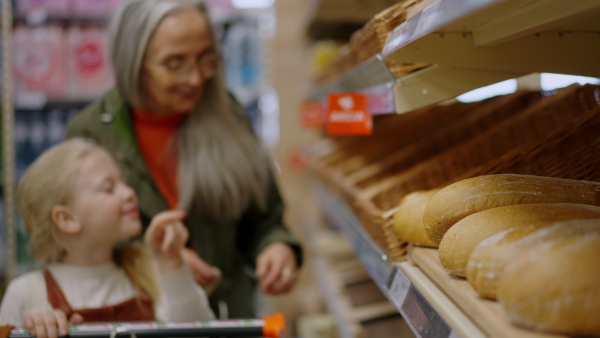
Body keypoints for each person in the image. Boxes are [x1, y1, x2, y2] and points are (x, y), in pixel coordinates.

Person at [65, 0, 303, 319]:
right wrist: (155, 262)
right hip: (138, 320)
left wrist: (276, 246)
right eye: (174, 63)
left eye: (206, 58)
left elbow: (264, 219)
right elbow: (72, 245)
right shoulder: (91, 135)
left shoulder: (228, 116)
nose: (195, 79)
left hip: (224, 318)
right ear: (132, 62)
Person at [0, 138, 215, 338]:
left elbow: (199, 332)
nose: (129, 192)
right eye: (109, 188)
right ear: (67, 219)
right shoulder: (27, 294)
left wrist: (172, 262)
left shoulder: (149, 272)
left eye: (124, 181)